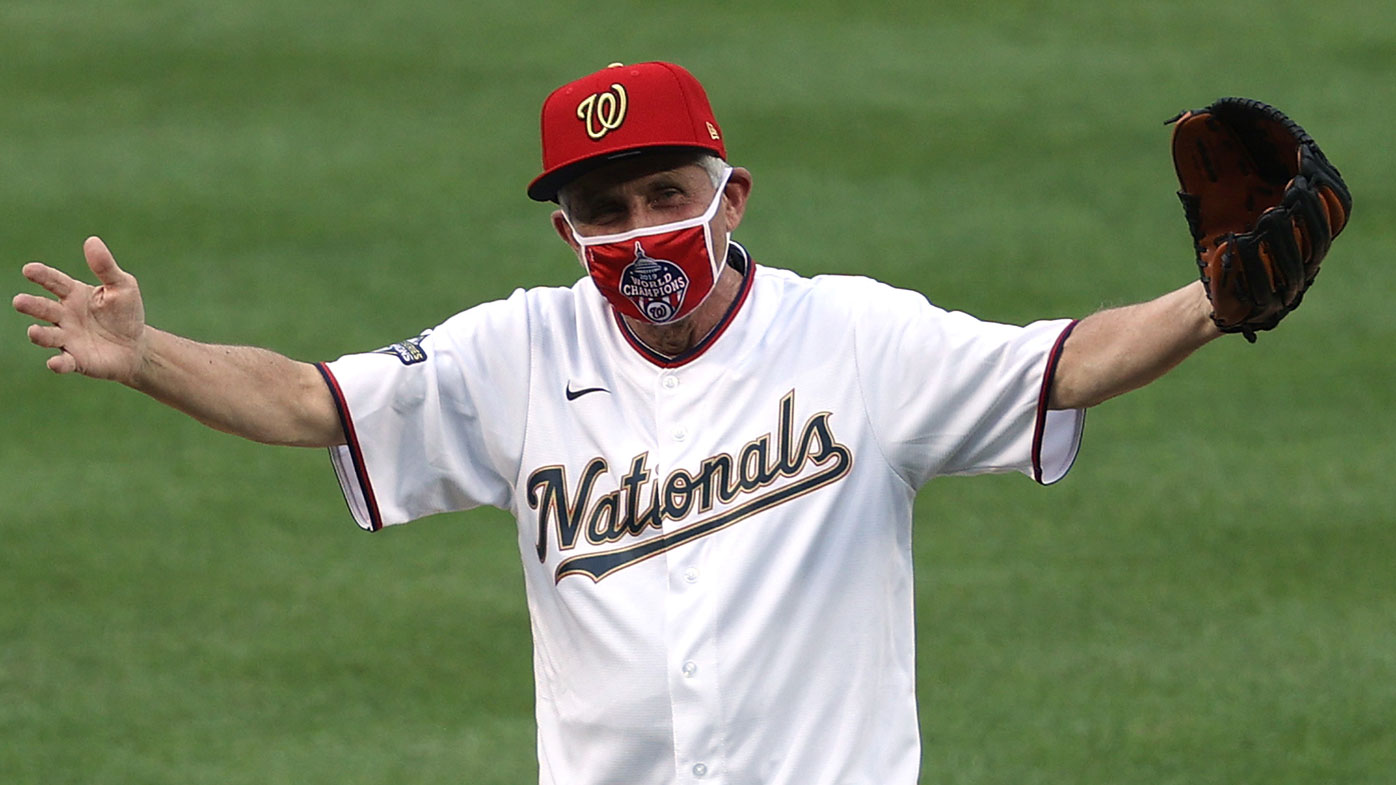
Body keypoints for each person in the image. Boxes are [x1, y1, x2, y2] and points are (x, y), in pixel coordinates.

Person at [14, 62, 1224, 784]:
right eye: (604, 208)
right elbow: (305, 401)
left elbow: (1064, 361)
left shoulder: (856, 336)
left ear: (730, 196)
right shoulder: (516, 351)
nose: (641, 230)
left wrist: (1212, 301)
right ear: (565, 230)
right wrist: (148, 355)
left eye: (666, 193)